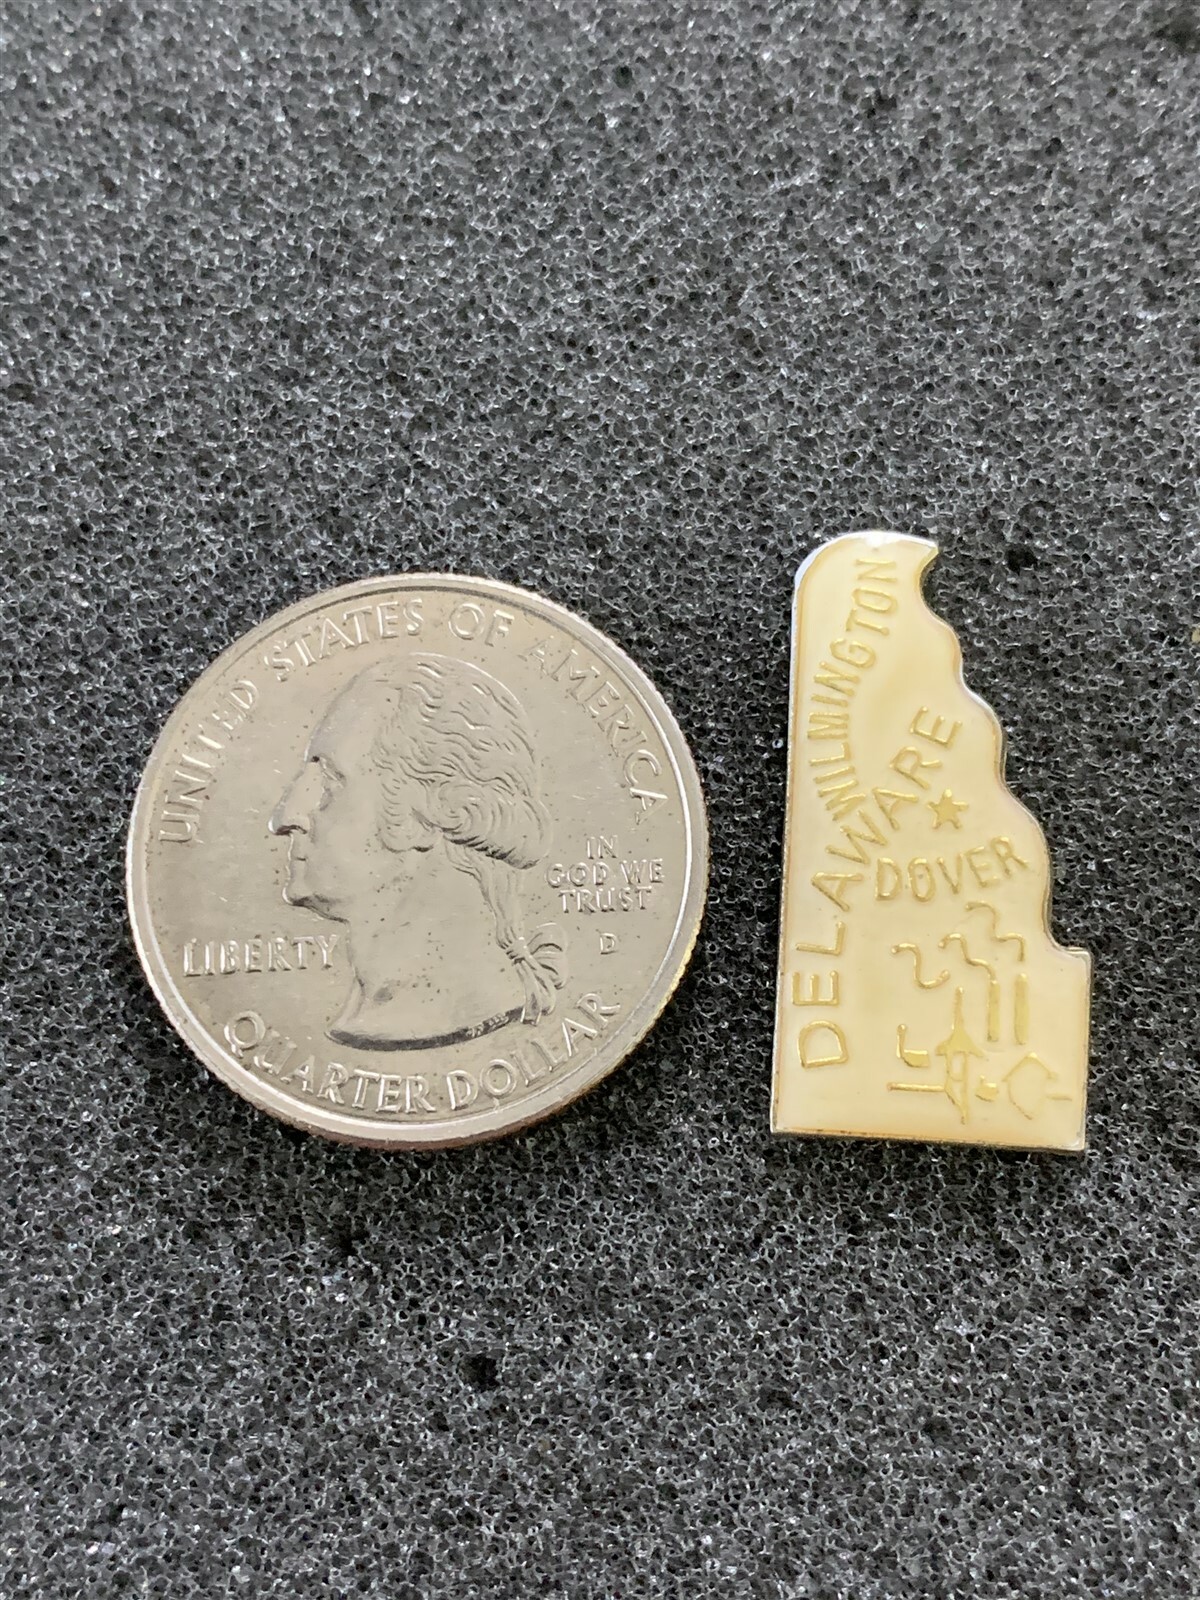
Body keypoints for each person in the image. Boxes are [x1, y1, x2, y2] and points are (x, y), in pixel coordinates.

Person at [270, 651, 567, 1050]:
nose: (285, 816)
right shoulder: (367, 1019)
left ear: (434, 811)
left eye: (330, 782)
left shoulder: (460, 1010)